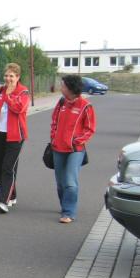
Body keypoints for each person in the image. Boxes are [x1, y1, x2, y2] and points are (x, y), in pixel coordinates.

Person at [50, 74, 96, 223]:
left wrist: (76, 141)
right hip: (58, 148)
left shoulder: (85, 106)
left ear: (70, 88)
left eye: (63, 85)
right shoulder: (61, 102)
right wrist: (53, 138)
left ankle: (68, 212)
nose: (61, 87)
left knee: (70, 181)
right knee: (60, 182)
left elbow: (90, 129)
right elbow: (54, 122)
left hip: (75, 150)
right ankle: (65, 205)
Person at [0, 63, 30, 214]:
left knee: (7, 167)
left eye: (11, 76)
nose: (8, 78)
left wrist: (9, 96)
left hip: (15, 136)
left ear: (18, 77)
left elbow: (19, 108)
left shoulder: (23, 92)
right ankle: (12, 194)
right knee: (0, 167)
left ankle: (3, 201)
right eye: (6, 75)